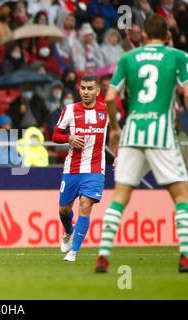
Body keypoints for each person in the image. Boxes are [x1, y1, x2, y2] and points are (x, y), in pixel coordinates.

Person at [95, 14, 188, 273]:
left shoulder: (128, 58)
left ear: (144, 35)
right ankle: (186, 256)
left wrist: (115, 129)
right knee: (182, 195)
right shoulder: (178, 57)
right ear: (168, 36)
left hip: (132, 132)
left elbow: (111, 96)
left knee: (120, 197)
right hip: (161, 133)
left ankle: (103, 256)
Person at [52, 75, 108, 262]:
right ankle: (68, 231)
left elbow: (117, 134)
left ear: (97, 91)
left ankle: (73, 252)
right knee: (63, 210)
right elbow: (55, 134)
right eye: (83, 88)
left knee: (86, 205)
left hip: (94, 169)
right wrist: (69, 138)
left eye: (90, 88)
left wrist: (120, 153)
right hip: (72, 168)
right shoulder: (69, 110)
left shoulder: (106, 111)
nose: (85, 91)